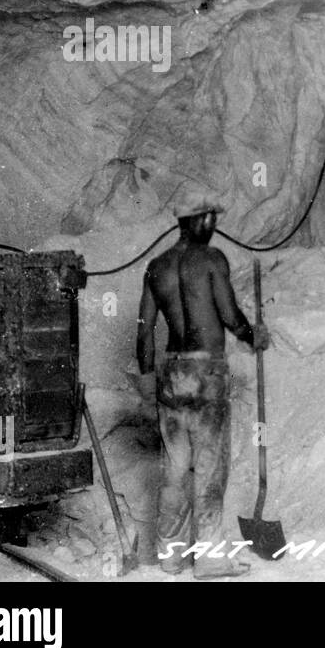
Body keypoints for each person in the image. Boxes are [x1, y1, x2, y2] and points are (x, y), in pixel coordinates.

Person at [136, 188, 269, 578]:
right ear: (200, 220)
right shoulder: (211, 259)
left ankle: (170, 556)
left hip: (171, 374)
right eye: (212, 218)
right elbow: (228, 314)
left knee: (175, 468)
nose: (215, 225)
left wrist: (147, 381)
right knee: (210, 467)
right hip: (206, 373)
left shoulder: (156, 267)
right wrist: (252, 335)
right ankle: (209, 557)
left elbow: (144, 333)